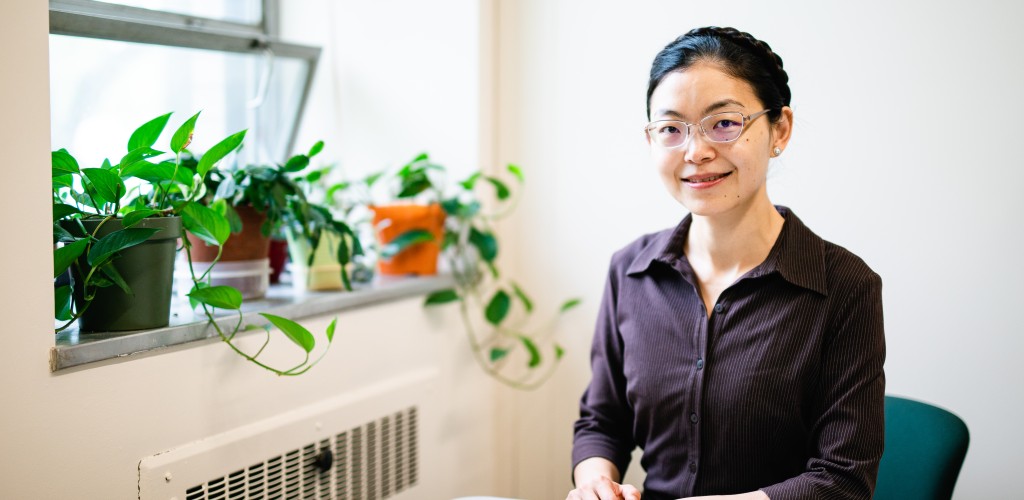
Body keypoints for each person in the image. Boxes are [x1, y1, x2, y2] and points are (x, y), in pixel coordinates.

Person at [567, 27, 885, 500]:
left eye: (724, 123)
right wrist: (594, 483)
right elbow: (602, 419)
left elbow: (843, 478)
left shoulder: (843, 285)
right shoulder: (629, 271)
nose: (696, 152)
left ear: (780, 129)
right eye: (672, 129)